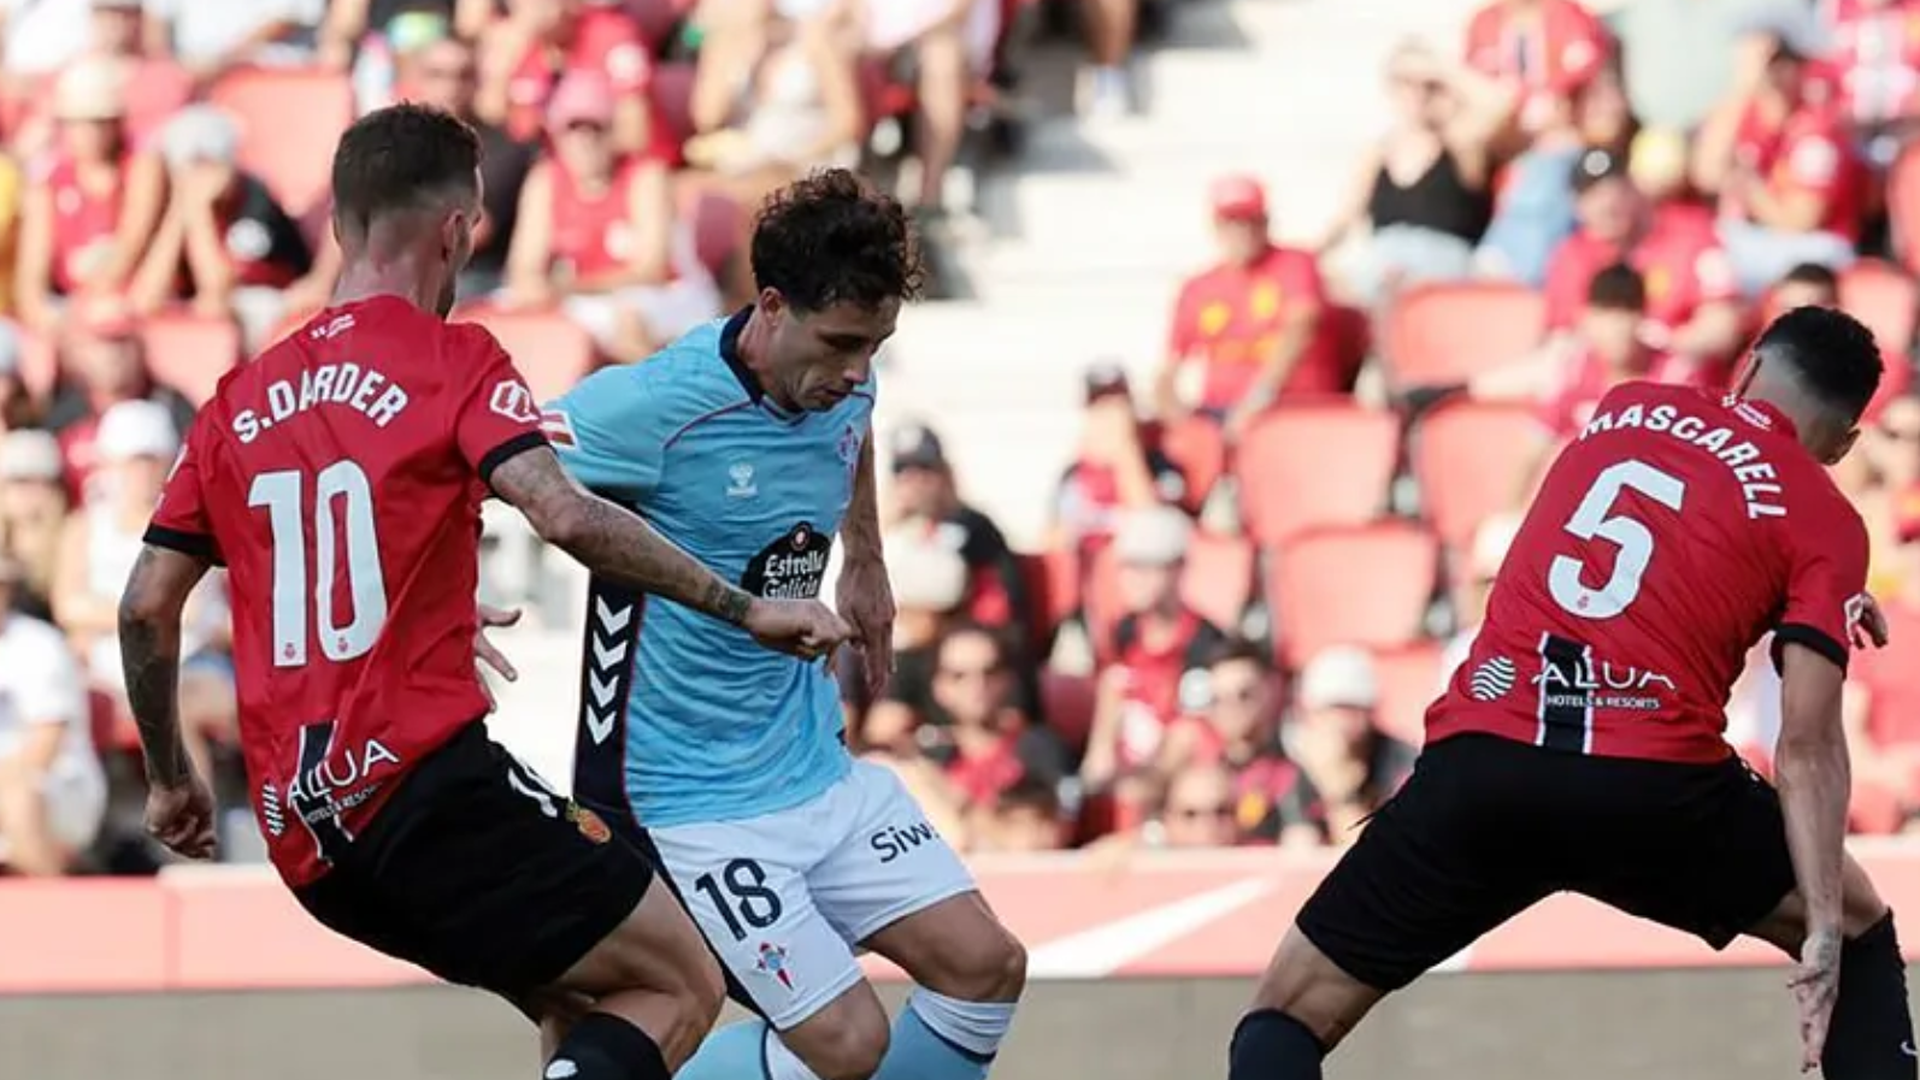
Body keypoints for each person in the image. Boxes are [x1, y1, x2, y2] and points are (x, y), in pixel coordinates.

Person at [118, 104, 852, 1080]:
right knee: (680, 981)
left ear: (339, 225)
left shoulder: (237, 400)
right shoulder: (454, 362)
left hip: (308, 838)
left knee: (583, 994)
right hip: (424, 795)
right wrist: (746, 607)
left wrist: (171, 776)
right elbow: (569, 517)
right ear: (462, 228)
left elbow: (145, 604)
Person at [1226, 306, 1916, 1080]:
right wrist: (1822, 921)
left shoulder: (1624, 404)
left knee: (1284, 1014)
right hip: (1651, 785)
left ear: (1749, 367)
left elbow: (1657, 530)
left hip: (1487, 760)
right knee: (1861, 932)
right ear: (1847, 444)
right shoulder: (1826, 519)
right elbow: (1808, 742)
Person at [547, 168, 1027, 1080]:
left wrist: (869, 559)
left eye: (875, 346)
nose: (857, 372)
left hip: (812, 765)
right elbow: (496, 459)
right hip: (683, 801)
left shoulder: (845, 378)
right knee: (848, 1043)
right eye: (843, 343)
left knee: (986, 968)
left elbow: (852, 433)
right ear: (771, 305)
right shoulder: (652, 407)